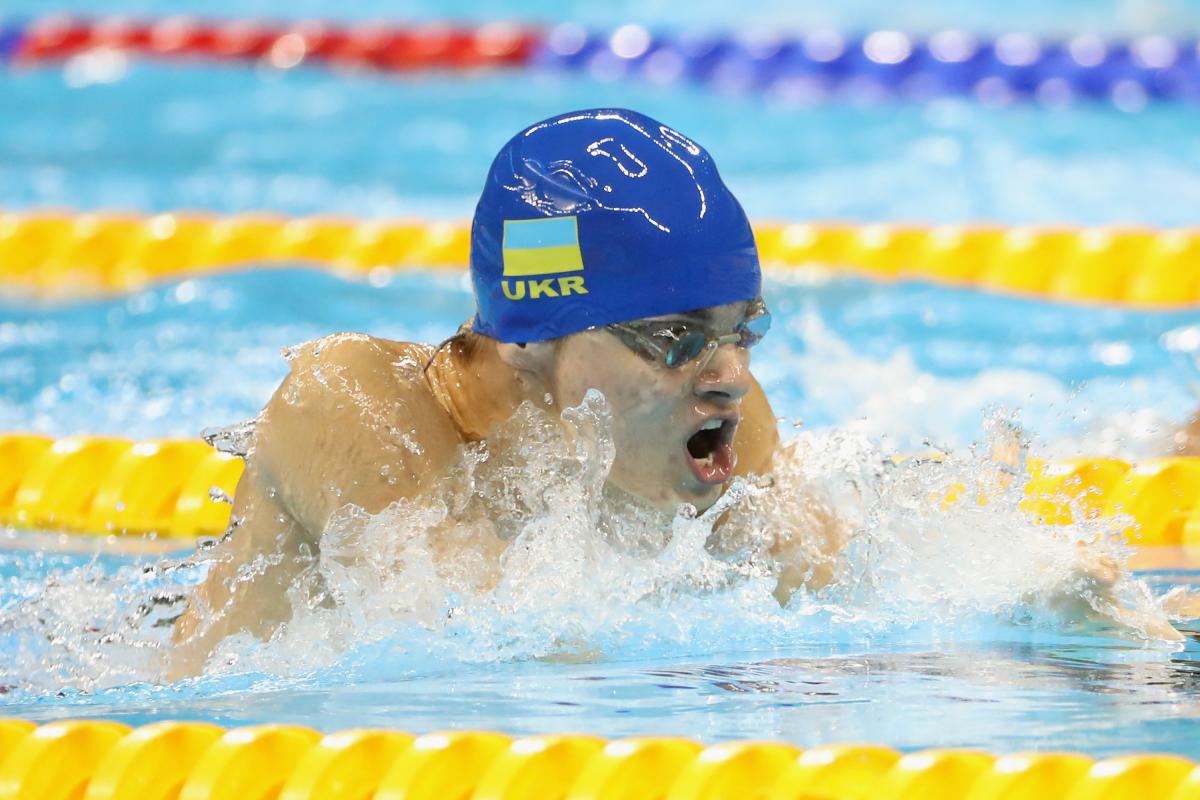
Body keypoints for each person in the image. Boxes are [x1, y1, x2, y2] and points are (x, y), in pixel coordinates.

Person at [170, 108, 833, 674]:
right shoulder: (358, 407)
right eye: (673, 337)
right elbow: (478, 658)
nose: (731, 378)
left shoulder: (713, 421)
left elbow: (838, 589)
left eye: (742, 331)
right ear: (529, 338)